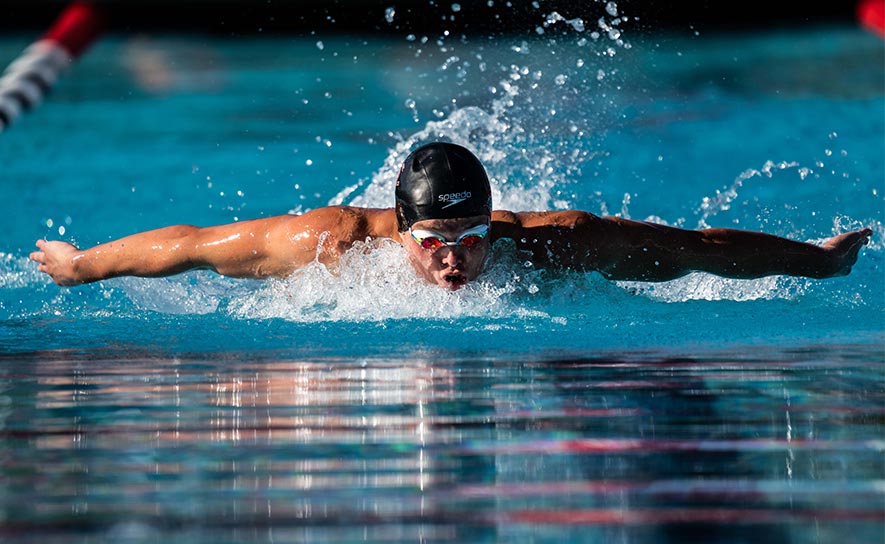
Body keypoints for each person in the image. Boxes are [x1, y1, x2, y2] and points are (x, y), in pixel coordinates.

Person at [30, 142, 872, 291]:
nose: (454, 259)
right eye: (434, 241)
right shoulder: (328, 246)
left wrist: (817, 261)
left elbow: (696, 250)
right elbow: (187, 247)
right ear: (403, 231)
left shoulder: (554, 246)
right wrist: (79, 265)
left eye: (471, 238)